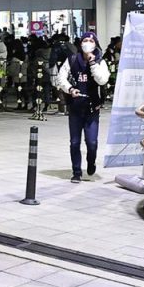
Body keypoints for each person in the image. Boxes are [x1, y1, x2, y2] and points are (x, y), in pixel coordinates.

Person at [53, 32, 108, 183]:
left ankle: (91, 161)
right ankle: (76, 171)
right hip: (75, 108)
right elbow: (61, 77)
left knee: (92, 143)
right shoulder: (72, 59)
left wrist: (92, 63)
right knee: (74, 142)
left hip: (92, 109)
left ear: (95, 44)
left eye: (91, 40)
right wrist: (70, 89)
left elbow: (102, 80)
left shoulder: (100, 61)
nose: (88, 43)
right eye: (85, 40)